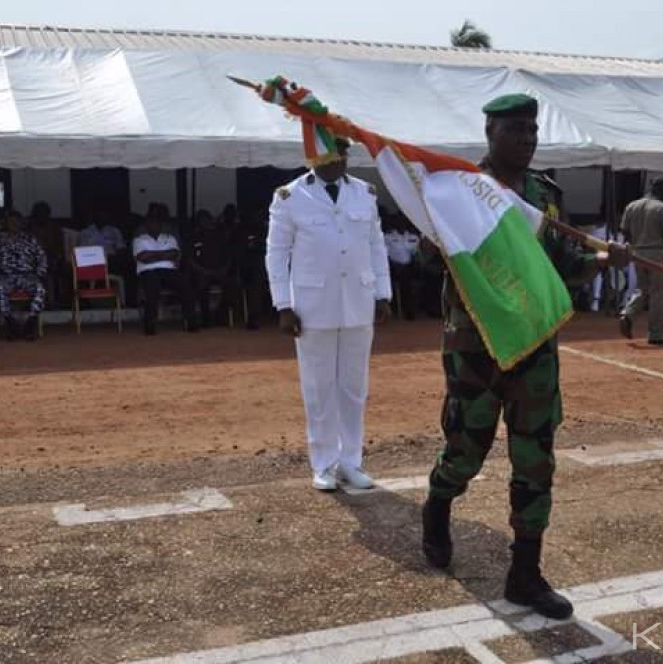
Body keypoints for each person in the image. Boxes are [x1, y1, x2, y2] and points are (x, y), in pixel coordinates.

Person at [419, 94, 629, 621]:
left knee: (535, 459)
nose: (527, 138)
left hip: (534, 344)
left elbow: (564, 265)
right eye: (515, 129)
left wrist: (603, 259)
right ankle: (439, 503)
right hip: (476, 346)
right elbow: (429, 257)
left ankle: (525, 574)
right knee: (465, 451)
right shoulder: (461, 187)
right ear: (489, 132)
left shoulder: (543, 196)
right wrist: (443, 231)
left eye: (532, 129)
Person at [266, 137, 392, 492]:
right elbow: (276, 253)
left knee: (354, 389)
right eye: (328, 154)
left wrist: (382, 293)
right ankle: (324, 463)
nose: (337, 160)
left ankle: (351, 462)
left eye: (342, 153)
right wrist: (283, 305)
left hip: (359, 300)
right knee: (319, 389)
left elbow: (375, 244)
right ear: (312, 156)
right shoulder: (289, 196)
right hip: (312, 306)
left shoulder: (364, 193)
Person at [618, 178, 663, 345]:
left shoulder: (632, 206)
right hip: (657, 254)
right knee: (659, 294)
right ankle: (656, 334)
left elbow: (625, 232)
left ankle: (628, 313)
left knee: (642, 289)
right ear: (662, 192)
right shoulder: (662, 208)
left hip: (638, 253)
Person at [133, 210, 197, 336]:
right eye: (151, 223)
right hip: (148, 271)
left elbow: (174, 253)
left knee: (186, 285)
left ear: (160, 225)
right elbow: (142, 257)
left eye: (156, 223)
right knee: (152, 290)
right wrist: (164, 254)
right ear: (146, 225)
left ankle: (191, 321)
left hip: (169, 270)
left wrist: (153, 255)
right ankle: (150, 324)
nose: (154, 225)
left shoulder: (169, 237)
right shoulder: (139, 239)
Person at [0, 210, 47, 341]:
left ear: (21, 223)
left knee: (40, 289)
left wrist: (39, 273)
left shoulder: (29, 239)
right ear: (5, 223)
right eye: (11, 222)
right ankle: (11, 326)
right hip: (6, 276)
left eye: (17, 221)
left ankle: (30, 325)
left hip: (27, 276)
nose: (14, 224)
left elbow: (42, 257)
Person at [186, 210, 235, 328]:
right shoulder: (194, 237)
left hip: (220, 271)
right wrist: (203, 271)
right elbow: (189, 260)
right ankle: (206, 318)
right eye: (202, 220)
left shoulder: (220, 236)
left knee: (232, 285)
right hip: (201, 272)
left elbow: (229, 257)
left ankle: (221, 315)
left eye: (207, 219)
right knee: (201, 285)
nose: (205, 222)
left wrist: (224, 269)